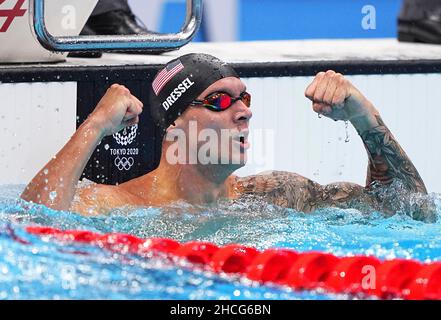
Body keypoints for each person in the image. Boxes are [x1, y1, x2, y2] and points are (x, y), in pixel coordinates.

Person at [20, 53, 432, 220]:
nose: (245, 111)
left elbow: (409, 212)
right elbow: (35, 223)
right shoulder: (116, 206)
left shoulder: (275, 194)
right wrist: (94, 125)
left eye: (244, 97)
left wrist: (365, 118)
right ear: (175, 127)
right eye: (219, 101)